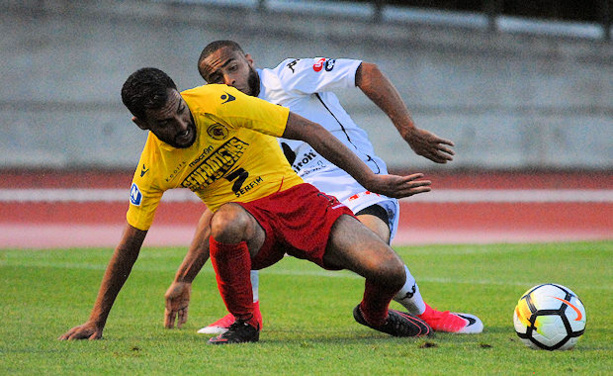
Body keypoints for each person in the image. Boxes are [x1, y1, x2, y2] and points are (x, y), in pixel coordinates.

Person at [59, 67, 436, 344]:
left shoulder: (219, 102)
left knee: (389, 270)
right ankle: (245, 322)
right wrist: (98, 319)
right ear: (141, 124)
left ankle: (373, 314)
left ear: (180, 94)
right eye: (165, 122)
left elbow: (308, 129)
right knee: (224, 220)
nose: (181, 124)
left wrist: (369, 180)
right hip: (253, 229)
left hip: (297, 200)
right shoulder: (152, 168)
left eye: (179, 109)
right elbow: (130, 243)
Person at [163, 40, 483, 335]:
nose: (229, 80)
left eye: (232, 67)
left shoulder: (288, 77)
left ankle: (403, 312)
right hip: (296, 197)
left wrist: (408, 129)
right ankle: (245, 314)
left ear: (248, 61)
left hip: (354, 180)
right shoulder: (224, 112)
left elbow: (365, 72)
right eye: (216, 77)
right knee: (234, 215)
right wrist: (183, 278)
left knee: (374, 251)